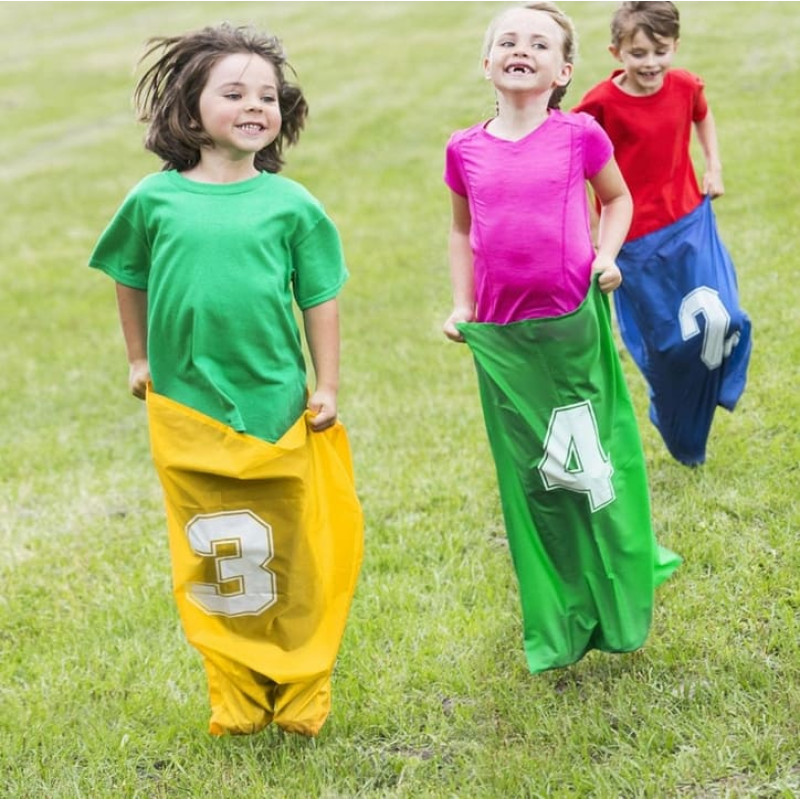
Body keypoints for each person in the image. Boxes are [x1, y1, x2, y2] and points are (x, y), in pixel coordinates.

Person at [89, 23, 363, 738]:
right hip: (186, 407)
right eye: (234, 93)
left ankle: (301, 680)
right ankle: (235, 686)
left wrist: (327, 385)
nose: (254, 106)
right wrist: (139, 358)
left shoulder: (291, 205)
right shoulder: (153, 200)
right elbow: (128, 276)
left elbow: (320, 298)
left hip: (275, 401)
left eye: (267, 96)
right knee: (211, 547)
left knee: (292, 544)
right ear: (190, 110)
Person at [442, 2, 680, 675]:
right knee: (538, 477)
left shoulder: (578, 135)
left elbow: (618, 199)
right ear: (486, 62)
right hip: (504, 336)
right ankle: (560, 610)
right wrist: (462, 305)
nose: (522, 49)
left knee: (593, 464)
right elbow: (461, 229)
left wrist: (608, 256)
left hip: (573, 320)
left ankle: (624, 573)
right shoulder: (464, 149)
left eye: (539, 44)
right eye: (508, 41)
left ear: (564, 71)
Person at [573, 1, 751, 466]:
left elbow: (701, 114)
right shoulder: (599, 105)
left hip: (691, 221)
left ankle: (720, 383)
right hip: (633, 243)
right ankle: (673, 415)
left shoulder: (685, 85)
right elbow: (575, 162)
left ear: (675, 46)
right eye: (638, 53)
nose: (650, 63)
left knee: (728, 317)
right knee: (668, 346)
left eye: (660, 51)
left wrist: (713, 166)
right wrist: (591, 226)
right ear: (616, 52)